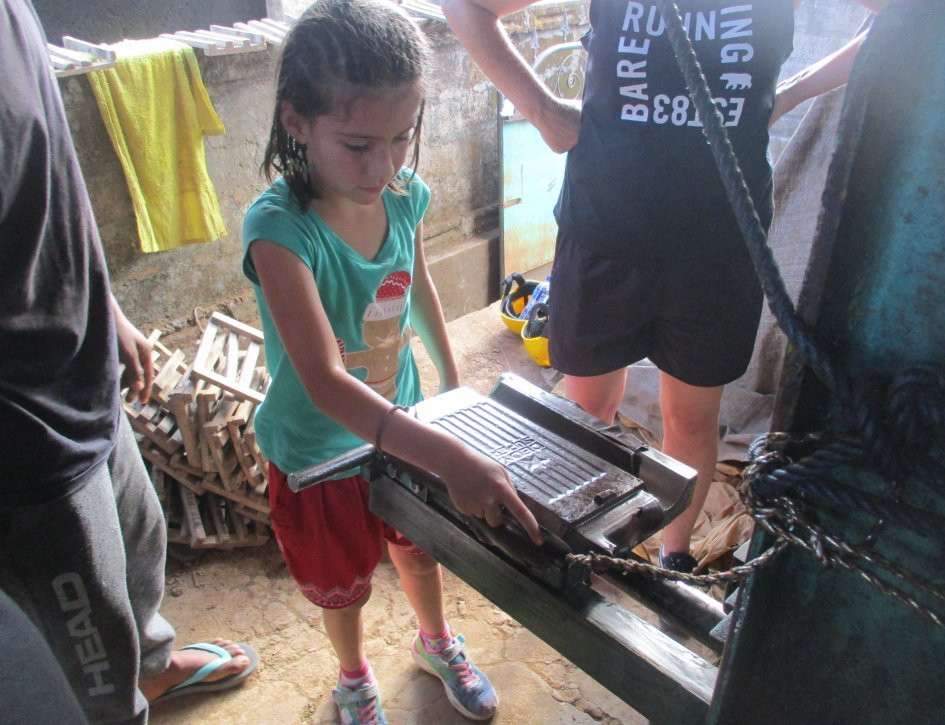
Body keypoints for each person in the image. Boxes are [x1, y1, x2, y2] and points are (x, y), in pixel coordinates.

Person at [442, 0, 884, 572]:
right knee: (587, 408)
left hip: (719, 242)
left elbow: (914, 16)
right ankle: (579, 545)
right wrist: (543, 112)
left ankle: (673, 562)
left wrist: (795, 91)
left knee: (692, 419)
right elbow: (465, 5)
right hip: (606, 231)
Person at [241, 1, 542, 722]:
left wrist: (452, 380)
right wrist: (448, 454)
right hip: (318, 446)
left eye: (402, 137)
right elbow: (322, 382)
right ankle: (352, 674)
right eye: (357, 144)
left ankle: (435, 639)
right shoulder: (279, 231)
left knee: (420, 542)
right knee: (342, 577)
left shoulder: (403, 194)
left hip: (402, 417)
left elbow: (418, 281)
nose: (384, 166)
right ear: (296, 122)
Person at [0, 1, 258, 721]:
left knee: (138, 537)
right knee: (88, 655)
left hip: (81, 362)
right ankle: (122, 702)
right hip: (25, 432)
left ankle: (152, 664)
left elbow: (47, 164)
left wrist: (105, 307)